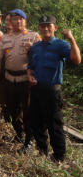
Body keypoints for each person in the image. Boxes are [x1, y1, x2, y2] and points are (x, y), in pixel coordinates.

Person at [27, 15, 81, 162]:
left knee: (54, 124)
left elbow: (77, 60)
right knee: (36, 121)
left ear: (54, 28)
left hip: (52, 91)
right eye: (42, 26)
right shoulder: (36, 46)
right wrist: (29, 76)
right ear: (39, 28)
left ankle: (59, 156)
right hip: (36, 89)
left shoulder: (61, 45)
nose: (45, 28)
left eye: (48, 26)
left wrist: (72, 39)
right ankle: (42, 151)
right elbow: (31, 67)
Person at [0, 9, 40, 150]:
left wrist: (33, 49)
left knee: (28, 111)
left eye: (21, 19)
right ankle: (19, 134)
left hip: (26, 79)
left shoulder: (33, 36)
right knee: (13, 110)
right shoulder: (5, 37)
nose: (18, 21)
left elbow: (40, 56)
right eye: (15, 19)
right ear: (10, 21)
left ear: (25, 20)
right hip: (9, 79)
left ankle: (29, 141)